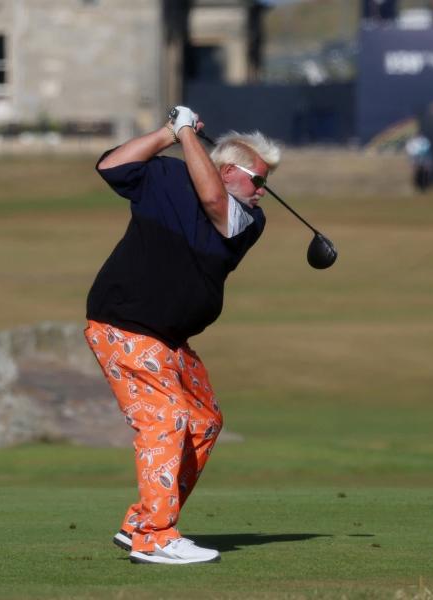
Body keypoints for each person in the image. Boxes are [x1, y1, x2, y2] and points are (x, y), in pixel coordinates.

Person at [84, 106, 280, 565]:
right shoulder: (165, 179)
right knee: (166, 417)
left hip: (171, 338)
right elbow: (110, 166)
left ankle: (142, 522)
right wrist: (169, 132)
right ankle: (155, 534)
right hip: (123, 324)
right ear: (230, 170)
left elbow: (214, 202)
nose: (263, 192)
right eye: (259, 180)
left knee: (204, 421)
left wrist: (189, 133)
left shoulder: (247, 220)